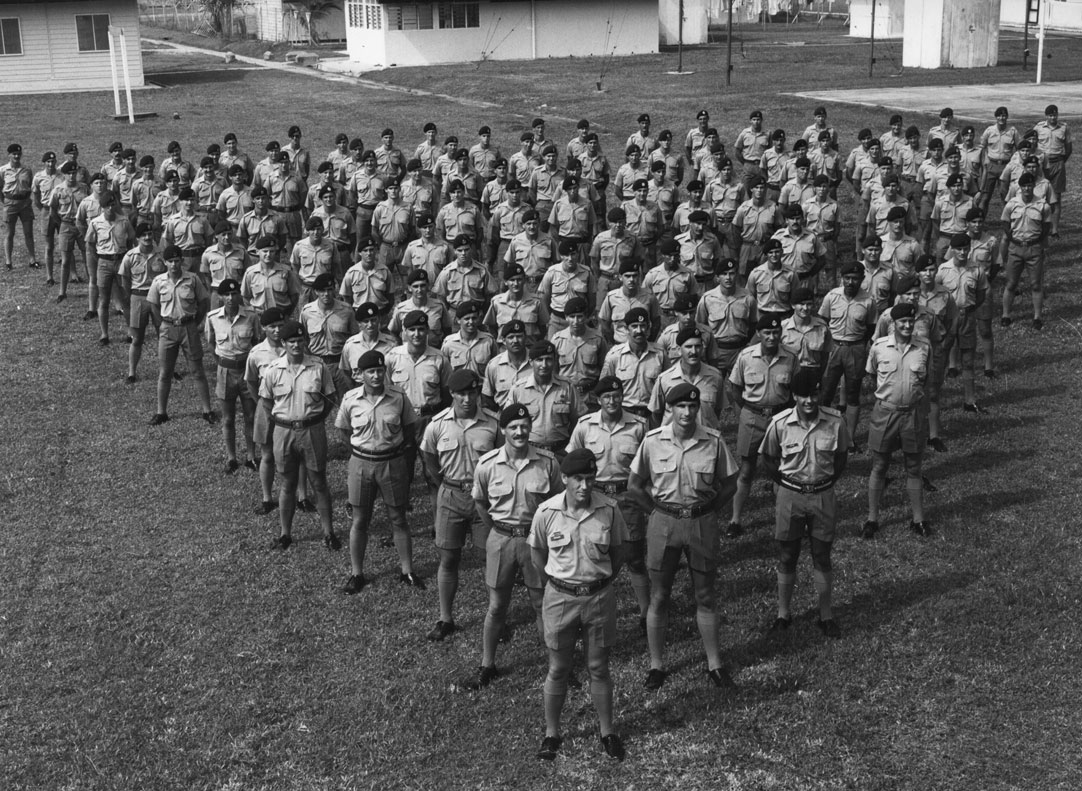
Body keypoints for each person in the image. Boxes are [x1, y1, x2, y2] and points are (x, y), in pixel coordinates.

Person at [627, 383, 739, 690]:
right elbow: (634, 485)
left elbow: (730, 483)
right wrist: (655, 512)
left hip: (701, 521)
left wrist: (711, 509)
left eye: (692, 407)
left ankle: (714, 663)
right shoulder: (652, 442)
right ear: (670, 410)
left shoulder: (713, 441)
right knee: (660, 595)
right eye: (680, 407)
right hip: (664, 522)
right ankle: (656, 665)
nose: (687, 413)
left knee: (704, 594)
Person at [528, 447, 629, 762]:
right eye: (577, 480)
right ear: (565, 480)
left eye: (589, 478)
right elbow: (538, 556)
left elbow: (617, 555)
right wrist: (561, 585)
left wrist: (596, 583)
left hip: (599, 597)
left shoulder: (609, 510)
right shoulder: (547, 512)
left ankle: (607, 731)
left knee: (598, 667)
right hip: (560, 598)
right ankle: (551, 733)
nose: (584, 486)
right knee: (558, 668)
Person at [467, 403, 562, 690]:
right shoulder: (488, 464)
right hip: (502, 538)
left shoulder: (547, 463)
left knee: (541, 604)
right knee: (497, 606)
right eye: (513, 427)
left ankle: (556, 666)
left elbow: (558, 501)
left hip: (535, 541)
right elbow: (481, 502)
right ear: (503, 430)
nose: (519, 432)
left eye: (524, 426)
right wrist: (499, 527)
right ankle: (487, 664)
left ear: (530, 428)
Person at [758, 368, 850, 637]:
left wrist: (827, 482)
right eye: (803, 396)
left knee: (822, 555)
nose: (809, 401)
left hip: (822, 494)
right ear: (794, 396)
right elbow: (769, 458)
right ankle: (783, 614)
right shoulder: (780, 423)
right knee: (787, 555)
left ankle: (825, 614)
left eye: (814, 395)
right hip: (790, 496)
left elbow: (841, 456)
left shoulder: (836, 422)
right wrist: (787, 484)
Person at [421, 368, 501, 641]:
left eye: (472, 393)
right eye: (461, 394)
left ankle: (497, 617)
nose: (467, 399)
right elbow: (430, 460)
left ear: (479, 393)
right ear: (452, 394)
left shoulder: (493, 423)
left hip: (484, 500)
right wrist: (446, 483)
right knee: (449, 557)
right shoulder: (438, 424)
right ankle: (445, 618)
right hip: (451, 496)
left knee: (488, 558)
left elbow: (502, 458)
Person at [337, 349, 424, 591]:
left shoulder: (398, 396)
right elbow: (344, 431)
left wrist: (392, 449)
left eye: (379, 371)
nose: (376, 376)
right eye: (370, 372)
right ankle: (357, 573)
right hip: (361, 464)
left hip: (391, 463)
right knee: (360, 520)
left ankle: (407, 571)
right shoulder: (351, 399)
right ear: (360, 374)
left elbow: (408, 429)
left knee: (398, 518)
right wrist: (361, 452)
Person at [258, 320, 338, 550]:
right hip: (283, 430)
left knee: (319, 482)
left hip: (312, 429)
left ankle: (329, 532)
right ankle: (285, 534)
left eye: (300, 341)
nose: (296, 345)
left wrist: (316, 419)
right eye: (291, 341)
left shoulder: (317, 366)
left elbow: (329, 397)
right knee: (287, 483)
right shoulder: (273, 370)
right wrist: (280, 422)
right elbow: (265, 401)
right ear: (283, 343)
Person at [863, 302, 932, 539]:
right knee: (880, 465)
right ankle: (872, 519)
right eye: (902, 321)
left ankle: (918, 520)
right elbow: (872, 376)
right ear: (893, 324)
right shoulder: (880, 347)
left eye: (911, 322)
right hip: (885, 413)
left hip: (912, 414)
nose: (907, 325)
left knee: (914, 467)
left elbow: (926, 379)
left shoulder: (923, 347)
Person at [727, 313, 799, 536]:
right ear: (758, 334)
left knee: (779, 469)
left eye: (776, 332)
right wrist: (745, 412)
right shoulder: (746, 356)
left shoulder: (790, 357)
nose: (771, 337)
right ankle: (735, 520)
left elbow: (795, 390)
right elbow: (734, 389)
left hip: (779, 418)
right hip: (752, 416)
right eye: (767, 332)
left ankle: (782, 518)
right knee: (747, 469)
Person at [147, 245, 216, 426]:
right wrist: (162, 322)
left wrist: (195, 321)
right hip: (168, 328)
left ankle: (207, 410)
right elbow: (153, 305)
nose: (174, 265)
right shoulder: (158, 282)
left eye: (177, 261)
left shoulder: (192, 279)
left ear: (181, 262)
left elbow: (203, 302)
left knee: (197, 371)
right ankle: (161, 412)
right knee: (165, 372)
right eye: (170, 261)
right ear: (165, 263)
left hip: (188, 328)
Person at [819, 262, 878, 448]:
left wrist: (858, 344)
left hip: (856, 348)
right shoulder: (832, 296)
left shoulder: (868, 301)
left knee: (853, 393)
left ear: (862, 280)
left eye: (855, 279)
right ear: (841, 279)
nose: (851, 282)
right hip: (833, 347)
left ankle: (850, 439)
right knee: (826, 392)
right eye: (847, 278)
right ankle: (823, 434)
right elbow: (823, 322)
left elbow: (870, 328)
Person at [206, 278, 262, 473]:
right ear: (220, 297)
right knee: (228, 418)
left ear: (239, 294)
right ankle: (231, 458)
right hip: (225, 371)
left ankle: (251, 456)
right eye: (226, 295)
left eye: (234, 294)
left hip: (247, 370)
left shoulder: (251, 316)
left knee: (250, 415)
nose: (230, 298)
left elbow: (256, 342)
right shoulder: (213, 317)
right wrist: (221, 363)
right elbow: (211, 344)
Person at [999, 173, 1051, 330]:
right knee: (1011, 283)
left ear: (1034, 187)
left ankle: (1037, 317)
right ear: (1020, 188)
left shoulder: (1043, 205)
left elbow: (1046, 227)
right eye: (1024, 186)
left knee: (1036, 284)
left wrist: (1035, 242)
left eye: (1030, 186)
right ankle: (1006, 315)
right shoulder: (1012, 204)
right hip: (1015, 248)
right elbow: (1005, 223)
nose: (1027, 188)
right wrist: (1012, 238)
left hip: (1034, 248)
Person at [85, 191, 136, 345]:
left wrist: (126, 258)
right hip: (104, 263)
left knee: (125, 298)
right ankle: (104, 334)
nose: (110, 208)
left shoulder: (124, 221)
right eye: (107, 206)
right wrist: (100, 260)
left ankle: (130, 332)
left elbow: (132, 240)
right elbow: (90, 244)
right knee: (104, 300)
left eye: (112, 205)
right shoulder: (95, 223)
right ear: (102, 207)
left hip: (121, 261)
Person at [650, 327, 726, 429]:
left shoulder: (715, 377)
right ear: (679, 350)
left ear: (702, 349)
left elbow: (716, 411)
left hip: (704, 441)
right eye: (689, 347)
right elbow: (656, 415)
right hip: (673, 442)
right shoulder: (664, 379)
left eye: (697, 346)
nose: (694, 351)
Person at [119, 223, 166, 383]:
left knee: (163, 335)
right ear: (138, 238)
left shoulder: (161, 254)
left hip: (158, 299)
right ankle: (132, 372)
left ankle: (167, 370)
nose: (147, 237)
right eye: (143, 235)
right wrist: (131, 296)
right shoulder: (130, 256)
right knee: (137, 338)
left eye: (150, 234)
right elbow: (124, 279)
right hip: (138, 297)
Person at [600, 307, 665, 421]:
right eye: (634, 326)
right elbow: (604, 388)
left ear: (648, 327)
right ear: (626, 329)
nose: (639, 331)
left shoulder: (660, 354)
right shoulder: (614, 356)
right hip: (624, 415)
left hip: (653, 415)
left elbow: (668, 385)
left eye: (642, 326)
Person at [300, 272, 358, 399]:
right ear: (315, 291)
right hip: (317, 364)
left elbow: (355, 339)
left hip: (340, 364)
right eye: (322, 291)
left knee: (347, 401)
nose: (326, 294)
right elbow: (303, 340)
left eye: (330, 290)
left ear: (335, 290)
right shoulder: (307, 312)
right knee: (316, 404)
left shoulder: (347, 310)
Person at [696, 258, 756, 376]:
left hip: (740, 350)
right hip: (717, 351)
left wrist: (748, 346)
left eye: (732, 273)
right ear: (717, 278)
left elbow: (754, 325)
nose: (728, 278)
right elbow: (701, 327)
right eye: (724, 274)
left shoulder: (748, 298)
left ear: (737, 275)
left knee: (741, 387)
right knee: (715, 384)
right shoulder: (707, 299)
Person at [599, 258, 661, 345]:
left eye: (634, 276)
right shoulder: (611, 297)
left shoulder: (649, 296)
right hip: (619, 345)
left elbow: (656, 321)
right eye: (627, 276)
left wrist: (650, 342)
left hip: (643, 345)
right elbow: (604, 323)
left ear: (639, 277)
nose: (631, 279)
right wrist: (612, 343)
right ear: (620, 277)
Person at [1032, 103, 1071, 235]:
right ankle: (1039, 226)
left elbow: (1068, 148)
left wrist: (1060, 161)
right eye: (1050, 115)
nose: (1053, 118)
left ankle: (1054, 230)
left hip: (1058, 163)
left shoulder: (1064, 128)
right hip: (1043, 163)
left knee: (1056, 197)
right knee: (1040, 194)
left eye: (1055, 115)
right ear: (1046, 116)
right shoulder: (1039, 127)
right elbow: (1031, 142)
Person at [1, 144, 40, 271]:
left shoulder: (27, 170)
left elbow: (30, 186)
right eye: (14, 154)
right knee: (9, 233)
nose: (16, 156)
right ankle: (8, 261)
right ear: (9, 155)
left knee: (28, 232)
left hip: (24, 203)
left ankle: (32, 259)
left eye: (18, 154)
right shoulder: (3, 170)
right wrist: (6, 201)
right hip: (10, 203)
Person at [389, 269, 451, 348]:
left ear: (428, 286)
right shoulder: (401, 309)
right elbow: (393, 332)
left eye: (422, 285)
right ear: (409, 288)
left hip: (434, 354)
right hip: (409, 355)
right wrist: (400, 348)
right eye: (415, 286)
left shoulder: (439, 306)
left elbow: (447, 330)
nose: (419, 290)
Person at [242, 235, 301, 315]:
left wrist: (287, 314)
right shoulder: (250, 273)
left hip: (280, 316)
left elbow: (294, 296)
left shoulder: (286, 271)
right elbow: (246, 297)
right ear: (257, 252)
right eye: (265, 251)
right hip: (259, 316)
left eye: (272, 251)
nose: (268, 254)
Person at [482, 319, 533, 411]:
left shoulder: (536, 362)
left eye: (519, 336)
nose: (515, 340)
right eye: (511, 337)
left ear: (526, 338)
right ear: (504, 341)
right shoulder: (494, 365)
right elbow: (487, 397)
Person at [781, 286, 830, 377]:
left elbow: (825, 357)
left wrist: (821, 377)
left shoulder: (822, 327)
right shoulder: (783, 328)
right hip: (789, 373)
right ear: (793, 305)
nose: (806, 308)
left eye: (809, 304)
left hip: (813, 373)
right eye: (801, 304)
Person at [340, 237, 393, 318]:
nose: (369, 253)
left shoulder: (384, 271)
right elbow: (346, 297)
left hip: (380, 314)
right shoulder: (352, 273)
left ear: (376, 251)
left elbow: (391, 296)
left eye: (371, 250)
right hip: (360, 315)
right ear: (360, 253)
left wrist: (385, 313)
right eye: (365, 250)